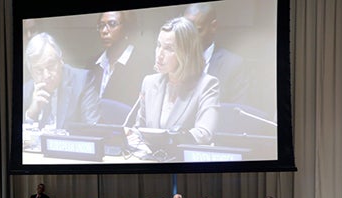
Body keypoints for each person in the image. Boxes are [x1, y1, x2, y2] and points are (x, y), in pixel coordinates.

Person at [132, 17, 219, 145]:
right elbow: (139, 128)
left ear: (186, 53)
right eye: (158, 45)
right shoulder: (149, 82)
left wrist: (166, 140)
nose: (159, 54)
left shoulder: (207, 85)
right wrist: (133, 134)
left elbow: (204, 134)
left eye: (169, 49)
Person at [23, 33, 100, 130]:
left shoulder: (82, 81)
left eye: (50, 66)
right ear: (31, 71)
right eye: (39, 70)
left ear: (61, 61)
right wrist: (31, 113)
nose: (46, 75)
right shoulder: (26, 90)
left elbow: (93, 130)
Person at [183, 3, 249, 104]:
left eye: (198, 30)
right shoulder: (175, 59)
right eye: (186, 31)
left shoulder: (233, 64)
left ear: (213, 26)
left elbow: (237, 112)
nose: (190, 37)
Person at [90, 11, 146, 108]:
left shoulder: (143, 65)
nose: (104, 31)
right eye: (101, 25)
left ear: (127, 28)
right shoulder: (92, 64)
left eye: (112, 24)